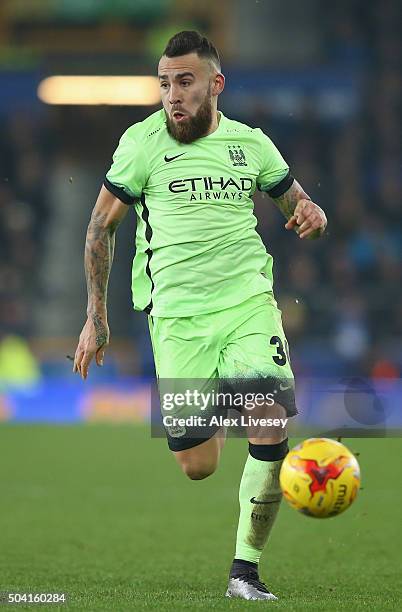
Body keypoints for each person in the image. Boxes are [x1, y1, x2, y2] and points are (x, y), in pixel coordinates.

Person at [73, 31, 327, 601]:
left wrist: (310, 210)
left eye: (184, 82)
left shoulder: (252, 145)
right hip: (178, 320)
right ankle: (231, 416)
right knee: (197, 464)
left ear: (215, 85)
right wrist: (97, 317)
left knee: (268, 422)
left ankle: (245, 571)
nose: (172, 95)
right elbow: (99, 228)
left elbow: (295, 202)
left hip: (246, 306)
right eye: (164, 83)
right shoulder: (140, 145)